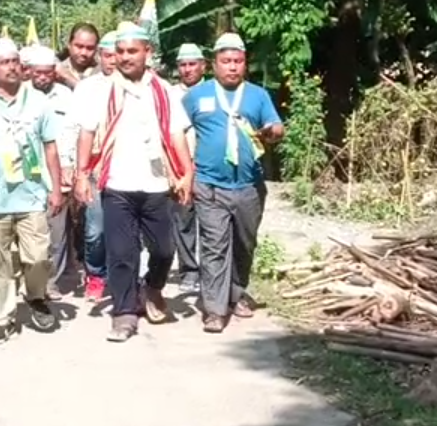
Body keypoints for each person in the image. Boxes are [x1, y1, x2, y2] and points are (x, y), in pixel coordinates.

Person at [74, 22, 195, 342]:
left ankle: (153, 289)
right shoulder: (100, 90)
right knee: (121, 252)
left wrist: (187, 173)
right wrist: (82, 174)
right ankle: (125, 312)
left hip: (157, 185)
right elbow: (86, 132)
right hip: (117, 184)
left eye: (132, 52)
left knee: (164, 249)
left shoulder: (165, 91)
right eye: (120, 52)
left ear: (147, 53)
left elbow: (176, 134)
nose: (125, 58)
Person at [183, 33, 285, 332]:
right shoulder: (196, 96)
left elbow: (276, 126)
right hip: (209, 185)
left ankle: (236, 293)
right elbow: (176, 131)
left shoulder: (257, 95)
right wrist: (183, 172)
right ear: (213, 64)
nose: (232, 67)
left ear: (245, 64)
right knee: (214, 246)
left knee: (244, 243)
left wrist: (273, 132)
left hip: (249, 187)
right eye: (226, 61)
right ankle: (214, 309)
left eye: (238, 62)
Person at [0, 36, 64, 344]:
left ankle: (36, 297)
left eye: (15, 62)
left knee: (37, 257)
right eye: (4, 62)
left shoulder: (38, 102)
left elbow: (50, 147)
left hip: (32, 194)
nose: (11, 67)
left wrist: (56, 188)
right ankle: (1, 317)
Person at [21, 42, 78, 290]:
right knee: (31, 233)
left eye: (48, 72)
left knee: (57, 232)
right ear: (29, 71)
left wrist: (71, 167)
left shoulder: (66, 97)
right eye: (38, 72)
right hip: (26, 175)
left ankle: (51, 281)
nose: (43, 77)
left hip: (59, 172)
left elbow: (74, 133)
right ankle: (30, 280)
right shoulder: (20, 94)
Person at [69, 27, 121, 299]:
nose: (112, 60)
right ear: (100, 55)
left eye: (117, 55)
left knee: (124, 229)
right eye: (108, 55)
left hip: (124, 167)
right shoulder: (87, 88)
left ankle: (121, 277)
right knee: (95, 229)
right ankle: (96, 274)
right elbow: (75, 129)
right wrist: (77, 170)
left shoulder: (132, 86)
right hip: (96, 167)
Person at [169, 43, 208, 295]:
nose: (187, 69)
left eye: (192, 64)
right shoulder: (170, 93)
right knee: (182, 221)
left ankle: (212, 271)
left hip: (208, 168)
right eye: (183, 65)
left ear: (203, 65)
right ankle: (188, 270)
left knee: (210, 222)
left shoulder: (213, 92)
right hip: (179, 168)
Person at [56, 22, 101, 88]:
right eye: (79, 46)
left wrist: (68, 78)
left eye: (90, 48)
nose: (84, 53)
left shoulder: (102, 72)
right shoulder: (57, 72)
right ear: (69, 44)